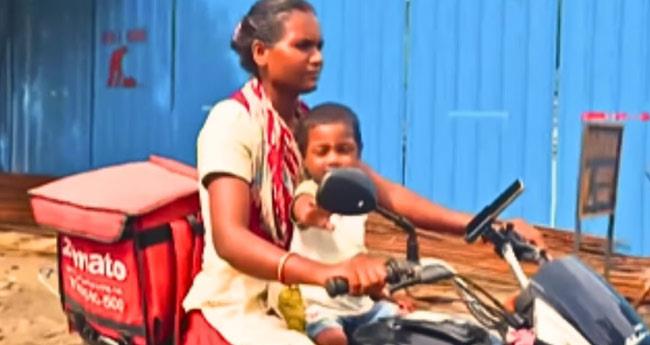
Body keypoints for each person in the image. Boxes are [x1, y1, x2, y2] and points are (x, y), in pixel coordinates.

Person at [182, 1, 545, 344]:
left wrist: (486, 226)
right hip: (240, 307)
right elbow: (230, 239)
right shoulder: (233, 122)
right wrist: (326, 271)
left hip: (306, 298)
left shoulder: (307, 127)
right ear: (261, 52)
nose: (318, 58)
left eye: (320, 46)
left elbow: (387, 194)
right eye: (303, 46)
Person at [288, 103, 414, 345]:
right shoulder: (311, 190)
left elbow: (356, 256)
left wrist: (388, 296)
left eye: (344, 150)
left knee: (407, 326)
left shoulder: (359, 202)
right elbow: (301, 208)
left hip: (362, 305)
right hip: (322, 306)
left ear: (359, 154)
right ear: (304, 158)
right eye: (322, 151)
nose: (333, 160)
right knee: (333, 339)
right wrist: (312, 214)